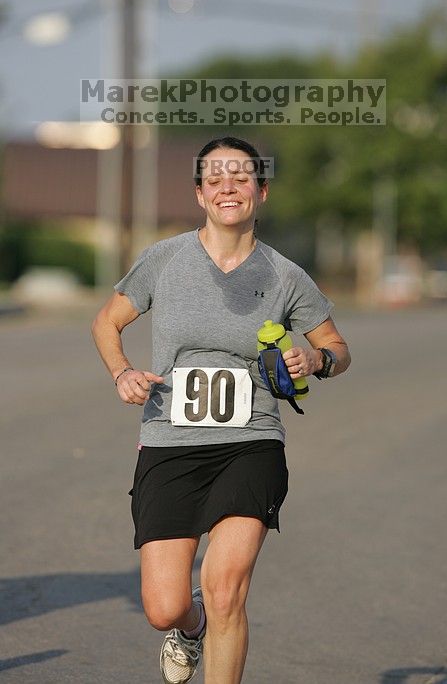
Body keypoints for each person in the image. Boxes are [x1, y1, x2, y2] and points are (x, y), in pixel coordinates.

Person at [91, 136, 351, 684]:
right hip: (169, 441)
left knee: (225, 585)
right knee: (164, 605)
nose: (228, 187)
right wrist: (123, 372)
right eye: (215, 178)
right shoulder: (163, 260)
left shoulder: (285, 275)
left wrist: (316, 359)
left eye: (240, 177)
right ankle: (190, 629)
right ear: (200, 193)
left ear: (261, 191)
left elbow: (339, 350)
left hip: (252, 441)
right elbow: (106, 322)